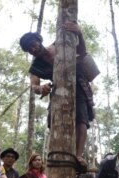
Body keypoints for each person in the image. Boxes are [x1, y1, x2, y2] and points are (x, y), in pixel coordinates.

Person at [19, 21, 96, 166]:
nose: (33, 49)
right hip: (59, 91)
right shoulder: (36, 66)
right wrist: (41, 88)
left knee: (82, 120)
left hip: (78, 85)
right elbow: (34, 85)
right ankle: (59, 151)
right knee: (55, 121)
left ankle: (78, 155)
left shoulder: (60, 44)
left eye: (33, 45)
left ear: (39, 40)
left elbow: (82, 52)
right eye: (30, 49)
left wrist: (79, 33)